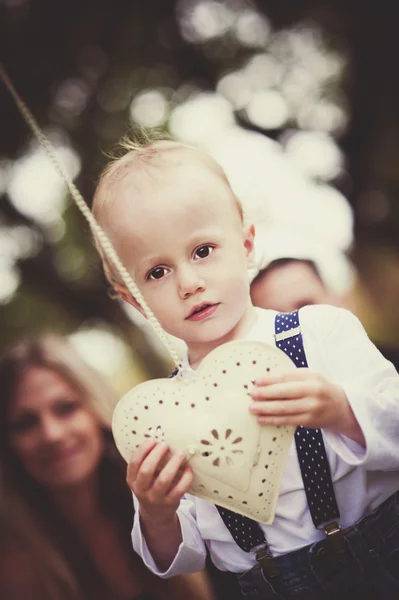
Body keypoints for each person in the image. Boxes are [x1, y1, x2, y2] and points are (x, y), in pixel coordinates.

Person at [91, 135, 399, 599]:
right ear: (135, 300)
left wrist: (341, 410)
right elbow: (185, 555)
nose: (189, 284)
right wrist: (156, 513)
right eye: (157, 272)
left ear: (247, 243)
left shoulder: (322, 331)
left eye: (202, 251)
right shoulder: (165, 414)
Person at [0, 333, 215, 600]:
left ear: (97, 410)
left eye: (66, 408)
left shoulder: (174, 495)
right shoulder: (10, 562)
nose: (51, 434)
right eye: (25, 423)